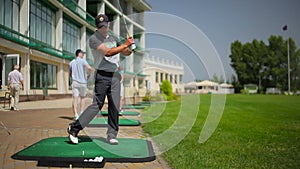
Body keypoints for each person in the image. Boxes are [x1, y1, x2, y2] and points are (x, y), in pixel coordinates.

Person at [67, 14, 134, 145]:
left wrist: (130, 48)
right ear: (97, 27)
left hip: (115, 76)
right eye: (100, 27)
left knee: (114, 106)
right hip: (102, 76)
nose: (103, 29)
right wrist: (125, 44)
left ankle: (112, 134)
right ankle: (74, 129)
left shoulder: (114, 37)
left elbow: (124, 52)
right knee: (97, 105)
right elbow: (108, 52)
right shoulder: (94, 39)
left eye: (105, 26)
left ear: (108, 24)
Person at [69, 49, 93, 120]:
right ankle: (82, 112)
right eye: (82, 53)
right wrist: (88, 75)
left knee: (75, 99)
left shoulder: (71, 63)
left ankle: (76, 115)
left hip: (75, 82)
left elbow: (70, 73)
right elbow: (89, 68)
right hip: (83, 82)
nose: (83, 55)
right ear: (79, 53)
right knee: (83, 98)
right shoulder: (83, 61)